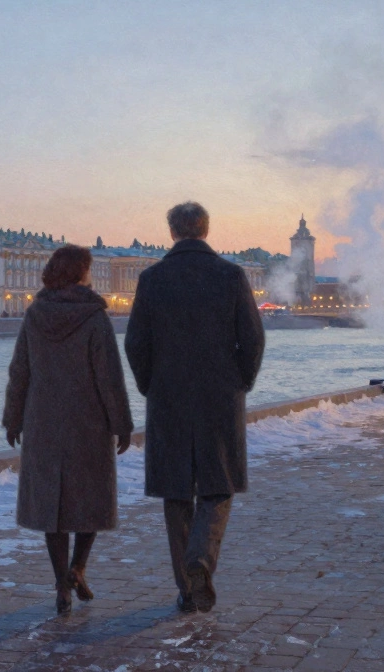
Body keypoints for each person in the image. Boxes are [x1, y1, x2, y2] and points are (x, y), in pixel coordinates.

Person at [124, 201, 265, 614]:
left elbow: (135, 343)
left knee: (176, 492)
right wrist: (241, 381)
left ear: (172, 232)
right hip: (219, 397)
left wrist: (150, 384)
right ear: (205, 230)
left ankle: (187, 590)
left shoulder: (151, 279)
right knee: (218, 485)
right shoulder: (231, 275)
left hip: (168, 398)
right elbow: (253, 340)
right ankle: (201, 557)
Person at [2, 244, 133, 616]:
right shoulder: (94, 317)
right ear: (81, 273)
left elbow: (19, 372)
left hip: (43, 421)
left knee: (52, 506)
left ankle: (61, 582)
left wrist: (13, 418)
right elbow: (109, 377)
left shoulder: (34, 314)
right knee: (90, 498)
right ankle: (78, 567)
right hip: (88, 422)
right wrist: (121, 423)